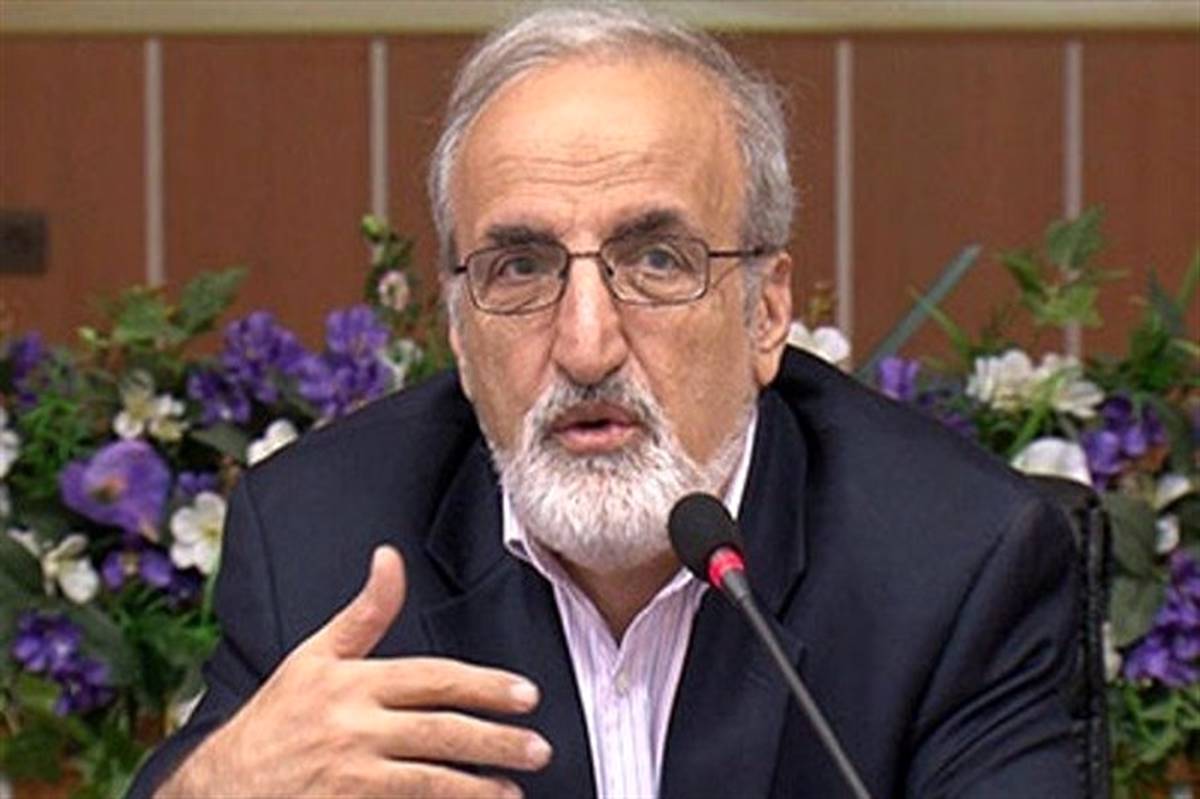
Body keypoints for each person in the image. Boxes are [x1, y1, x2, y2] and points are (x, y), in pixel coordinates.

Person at [132, 4, 1082, 797]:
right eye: (520, 267)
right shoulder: (317, 548)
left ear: (766, 313)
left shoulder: (957, 564)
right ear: (459, 329)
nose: (587, 345)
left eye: (657, 260)